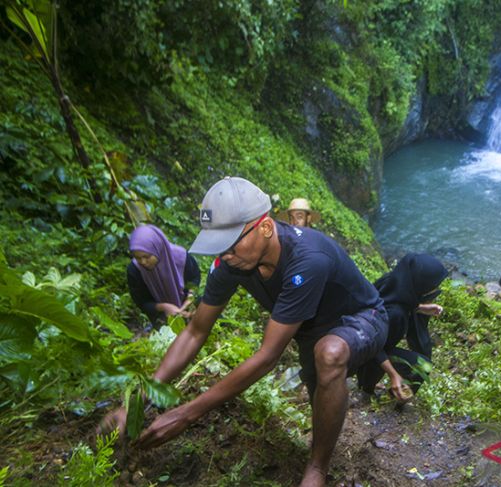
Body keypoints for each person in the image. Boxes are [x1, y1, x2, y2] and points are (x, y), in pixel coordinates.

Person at [101, 177, 387, 487]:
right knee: (319, 383)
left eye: (230, 243)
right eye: (218, 246)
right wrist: (141, 399)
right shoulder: (230, 262)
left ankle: (317, 468)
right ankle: (319, 441)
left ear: (265, 228)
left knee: (329, 355)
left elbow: (267, 356)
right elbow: (196, 331)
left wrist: (188, 413)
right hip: (309, 328)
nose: (224, 255)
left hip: (362, 316)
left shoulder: (308, 259)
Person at [357, 253, 448, 402]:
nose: (434, 290)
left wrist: (420, 308)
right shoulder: (396, 315)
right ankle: (369, 391)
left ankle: (368, 386)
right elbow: (375, 347)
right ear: (420, 285)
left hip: (358, 334)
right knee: (423, 366)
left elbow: (389, 302)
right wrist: (393, 375)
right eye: (432, 287)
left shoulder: (392, 281)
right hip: (367, 351)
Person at [127, 225, 200, 325]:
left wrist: (190, 298)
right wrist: (164, 307)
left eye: (147, 256)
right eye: (138, 258)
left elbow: (194, 278)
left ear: (157, 249)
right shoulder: (135, 269)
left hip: (187, 305)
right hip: (160, 314)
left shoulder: (181, 257)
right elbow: (142, 301)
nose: (143, 262)